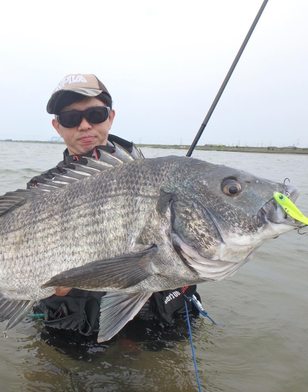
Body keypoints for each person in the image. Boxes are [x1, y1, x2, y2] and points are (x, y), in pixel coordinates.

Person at [28, 74, 201, 341]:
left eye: (95, 114)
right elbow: (28, 276)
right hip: (83, 335)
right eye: (70, 119)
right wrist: (55, 290)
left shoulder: (157, 178)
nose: (84, 125)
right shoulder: (41, 193)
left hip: (160, 327)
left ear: (110, 117)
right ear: (57, 126)